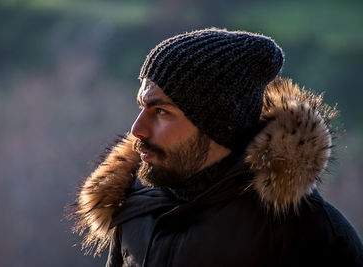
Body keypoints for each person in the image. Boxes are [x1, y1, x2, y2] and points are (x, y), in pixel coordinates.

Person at [72, 28, 363, 266]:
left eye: (161, 111)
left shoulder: (307, 233)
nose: (137, 129)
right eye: (142, 107)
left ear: (218, 125)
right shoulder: (135, 204)